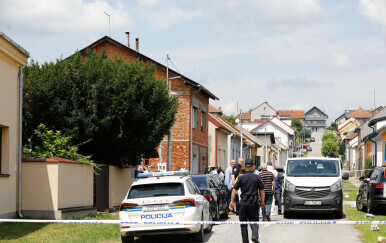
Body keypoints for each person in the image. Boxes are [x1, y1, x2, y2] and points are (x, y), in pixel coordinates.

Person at [229, 159, 265, 243]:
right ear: (253, 167)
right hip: (254, 203)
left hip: (244, 203)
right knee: (254, 220)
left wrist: (232, 201)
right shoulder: (257, 177)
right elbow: (262, 190)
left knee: (243, 223)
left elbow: (234, 190)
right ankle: (254, 235)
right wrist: (262, 201)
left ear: (245, 167)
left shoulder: (241, 178)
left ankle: (245, 241)